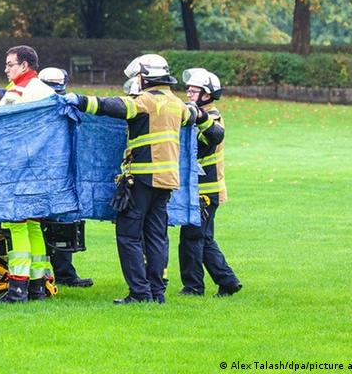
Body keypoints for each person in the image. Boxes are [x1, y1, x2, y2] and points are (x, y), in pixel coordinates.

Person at [64, 53, 196, 304]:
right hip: (167, 181)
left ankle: (139, 292)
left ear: (146, 77)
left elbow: (112, 106)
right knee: (156, 237)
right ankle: (157, 292)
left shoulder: (146, 101)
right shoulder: (176, 104)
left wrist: (80, 100)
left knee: (129, 236)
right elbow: (193, 116)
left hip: (142, 179)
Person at [0, 45, 57, 303]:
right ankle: (38, 286)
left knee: (16, 225)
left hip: (18, 168)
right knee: (34, 225)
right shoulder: (47, 91)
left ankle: (18, 289)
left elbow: (2, 129)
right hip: (42, 169)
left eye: (10, 64)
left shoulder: (16, 93)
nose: (6, 69)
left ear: (25, 65)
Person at [178, 68, 242, 297]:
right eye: (188, 90)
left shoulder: (212, 118)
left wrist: (197, 117)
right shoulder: (196, 116)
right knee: (203, 238)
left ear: (207, 94)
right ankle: (228, 282)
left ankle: (194, 287)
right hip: (201, 190)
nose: (188, 94)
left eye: (193, 91)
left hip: (205, 191)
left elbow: (207, 141)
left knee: (192, 238)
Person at [36, 67, 93, 289]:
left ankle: (63, 274)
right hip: (45, 176)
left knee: (61, 224)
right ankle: (50, 275)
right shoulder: (37, 107)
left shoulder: (67, 106)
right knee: (47, 225)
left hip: (60, 176)